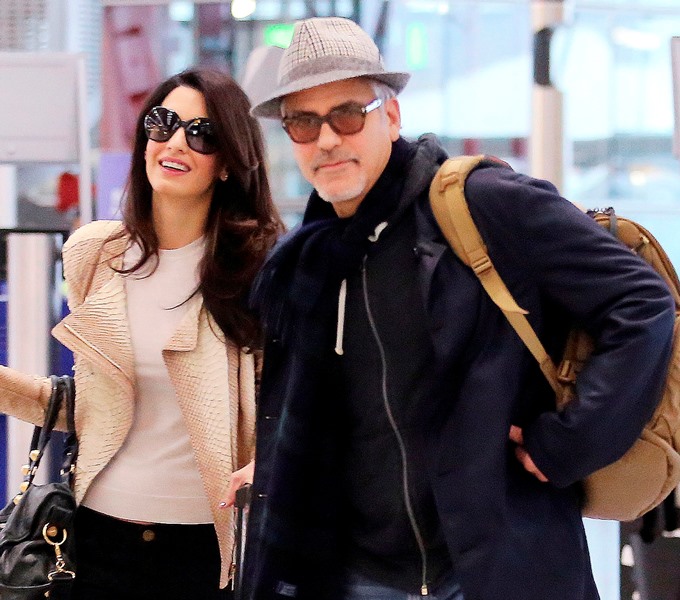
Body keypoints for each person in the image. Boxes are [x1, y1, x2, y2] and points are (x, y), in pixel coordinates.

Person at [242, 16, 676, 600]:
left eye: (347, 114)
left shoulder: (482, 205)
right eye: (302, 121)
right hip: (360, 576)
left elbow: (643, 303)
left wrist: (570, 442)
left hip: (494, 567)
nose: (326, 140)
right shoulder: (309, 263)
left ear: (391, 116)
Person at [0, 67, 282, 599]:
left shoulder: (258, 268)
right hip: (92, 538)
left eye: (202, 134)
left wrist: (266, 466)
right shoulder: (95, 254)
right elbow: (93, 409)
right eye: (163, 123)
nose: (175, 143)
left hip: (206, 547)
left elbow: (283, 409)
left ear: (228, 163)